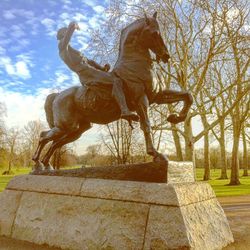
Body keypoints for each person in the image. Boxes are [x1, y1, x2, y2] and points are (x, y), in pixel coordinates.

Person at [57, 21, 139, 122]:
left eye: (67, 32)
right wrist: (72, 26)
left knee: (114, 79)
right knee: (116, 81)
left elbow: (89, 61)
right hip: (86, 74)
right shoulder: (62, 47)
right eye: (65, 33)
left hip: (90, 71)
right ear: (62, 35)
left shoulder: (72, 51)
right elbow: (67, 39)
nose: (67, 36)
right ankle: (124, 110)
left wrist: (102, 68)